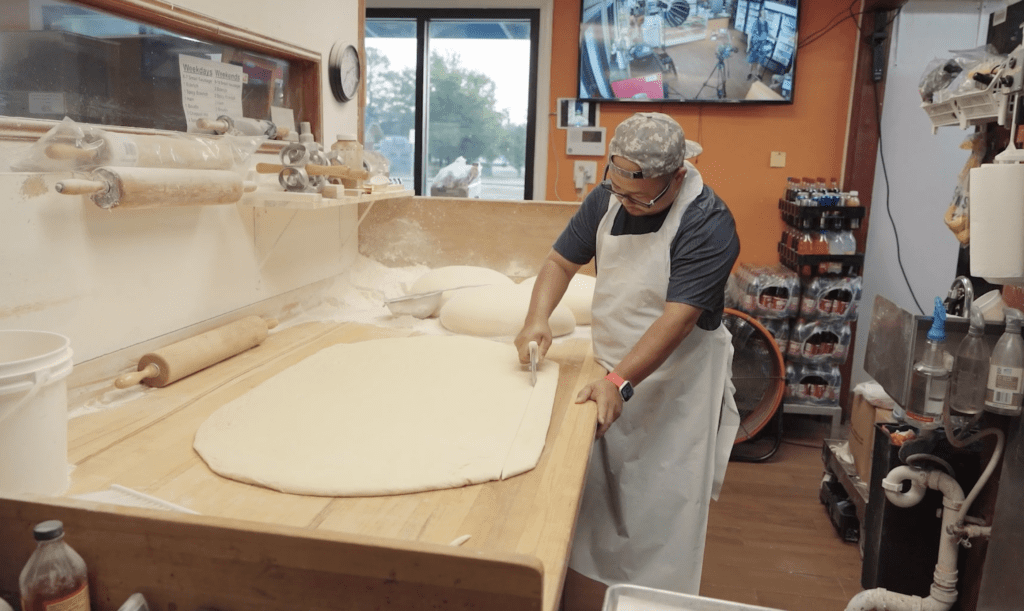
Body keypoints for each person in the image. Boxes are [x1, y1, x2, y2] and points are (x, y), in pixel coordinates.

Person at [514, 112, 740, 610]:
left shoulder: (707, 221)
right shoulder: (608, 199)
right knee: (593, 503)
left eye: (642, 197)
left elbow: (678, 319)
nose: (627, 204)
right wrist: (537, 318)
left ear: (677, 176)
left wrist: (620, 380)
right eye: (619, 192)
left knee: (663, 514)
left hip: (677, 388)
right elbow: (559, 261)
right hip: (609, 374)